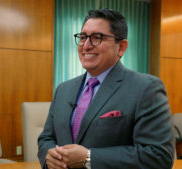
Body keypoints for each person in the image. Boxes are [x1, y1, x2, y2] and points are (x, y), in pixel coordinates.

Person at [38, 9, 174, 169]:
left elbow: (158, 156)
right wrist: (50, 158)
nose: (86, 46)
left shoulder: (146, 88)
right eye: (82, 38)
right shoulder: (63, 89)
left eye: (97, 38)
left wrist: (90, 158)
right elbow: (46, 139)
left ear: (121, 47)